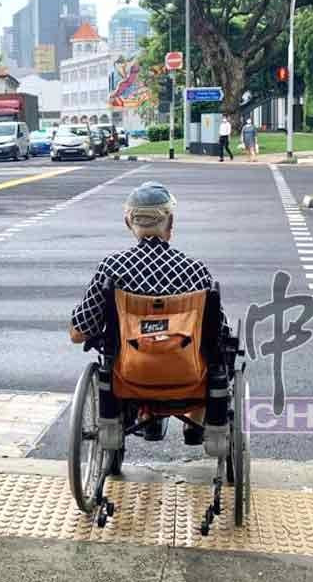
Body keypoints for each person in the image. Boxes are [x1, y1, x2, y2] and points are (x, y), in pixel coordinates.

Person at [70, 182, 230, 457]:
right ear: (170, 222)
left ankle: (144, 416)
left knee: (121, 352)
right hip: (189, 378)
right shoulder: (195, 270)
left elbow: (79, 333)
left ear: (128, 222)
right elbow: (220, 334)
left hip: (130, 377)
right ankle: (194, 423)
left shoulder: (112, 268)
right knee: (215, 351)